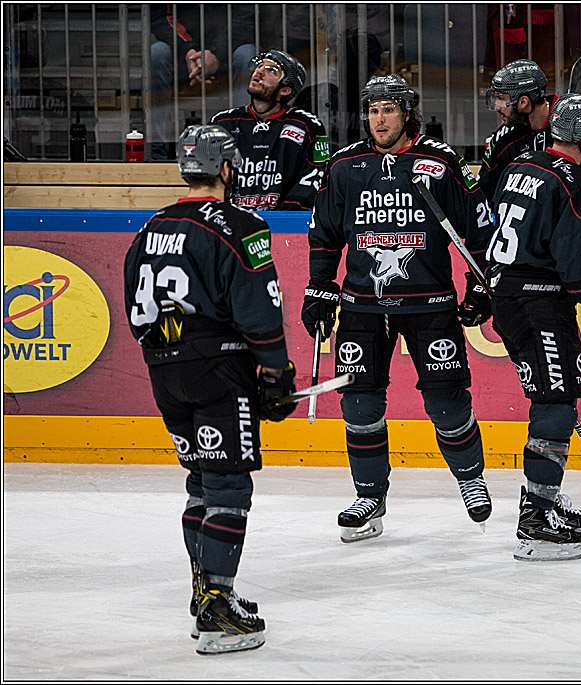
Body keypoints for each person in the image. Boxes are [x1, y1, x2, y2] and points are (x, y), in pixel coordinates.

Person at [123, 125, 298, 654]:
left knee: (199, 482)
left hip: (164, 370)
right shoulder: (241, 224)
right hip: (220, 370)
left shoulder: (151, 227)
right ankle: (218, 606)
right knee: (228, 487)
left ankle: (204, 591)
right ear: (227, 168)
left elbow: (134, 305)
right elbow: (260, 310)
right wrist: (275, 374)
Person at [304, 74, 494, 543]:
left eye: (388, 109)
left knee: (446, 403)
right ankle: (369, 498)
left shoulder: (440, 160)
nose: (379, 118)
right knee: (360, 404)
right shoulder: (346, 165)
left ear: (408, 112)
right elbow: (325, 234)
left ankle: (471, 479)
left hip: (429, 304)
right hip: (362, 308)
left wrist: (479, 285)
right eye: (372, 110)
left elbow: (478, 228)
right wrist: (319, 289)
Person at [478, 94, 581, 561]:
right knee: (553, 401)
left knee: (558, 396)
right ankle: (535, 523)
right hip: (540, 303)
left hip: (514, 296)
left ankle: (544, 502)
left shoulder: (522, 165)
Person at [211, 50, 328, 211]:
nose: (259, 71)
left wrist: (282, 218)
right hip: (232, 223)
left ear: (285, 90)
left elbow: (316, 176)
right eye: (259, 66)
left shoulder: (308, 125)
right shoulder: (223, 122)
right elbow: (210, 178)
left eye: (271, 70)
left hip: (286, 224)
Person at [149, 5, 257, 159]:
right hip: (183, 54)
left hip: (227, 53)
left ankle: (245, 154)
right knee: (157, 53)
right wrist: (188, 51)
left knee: (247, 55)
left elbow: (245, 18)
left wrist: (217, 54)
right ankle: (158, 156)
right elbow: (161, 17)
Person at [478, 59, 556, 204]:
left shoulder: (569, 123)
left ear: (523, 102)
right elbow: (484, 191)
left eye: (501, 99)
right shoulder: (503, 138)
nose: (496, 107)